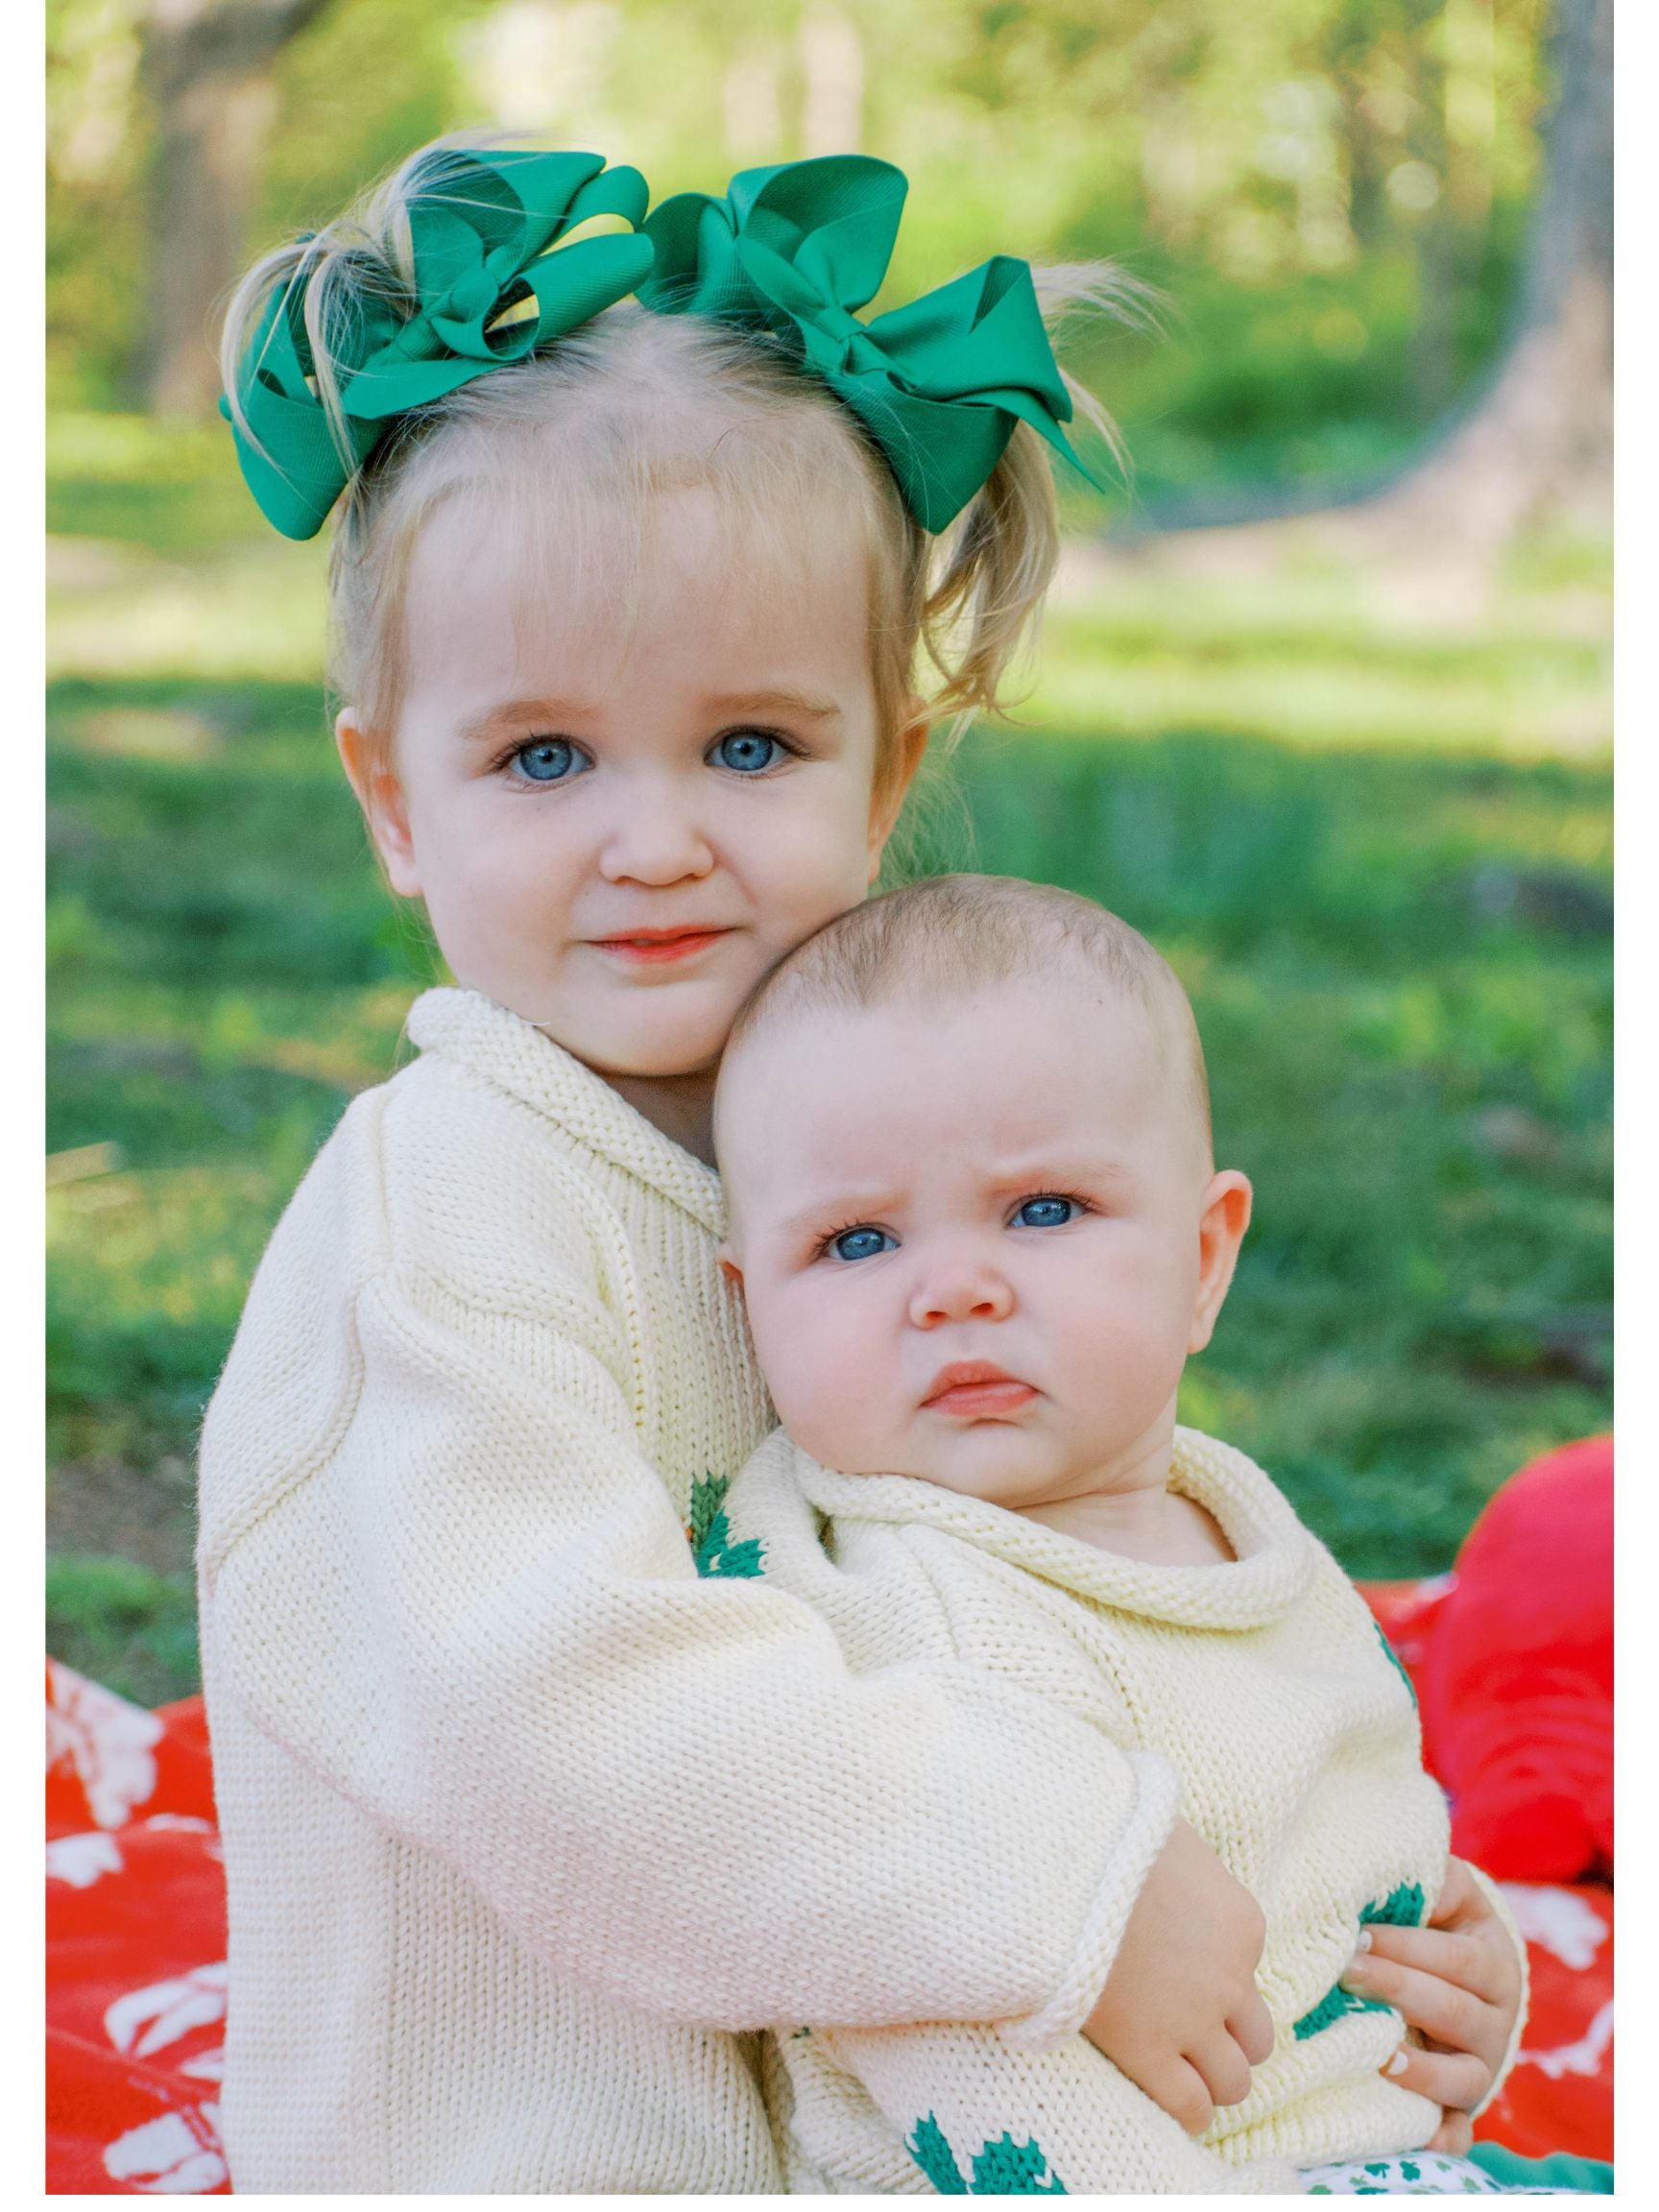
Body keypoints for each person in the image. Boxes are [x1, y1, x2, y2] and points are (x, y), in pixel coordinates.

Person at [197, 138, 1290, 2192]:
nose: (656, 840)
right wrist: (1066, 1880)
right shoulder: (448, 1218)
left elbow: (1042, 1582)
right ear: (391, 797)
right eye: (543, 758)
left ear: (892, 764)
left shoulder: (877, 1144)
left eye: (751, 747)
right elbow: (565, 1723)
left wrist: (1345, 1914)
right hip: (537, 2154)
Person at [709, 874, 1612, 2196]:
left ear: (1203, 1260)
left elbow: (1334, 1827)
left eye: (1043, 1211)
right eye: (856, 1241)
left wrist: (1460, 1987)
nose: (956, 1287)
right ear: (750, 1311)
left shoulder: (1233, 1524)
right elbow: (942, 2041)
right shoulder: (896, 1618)